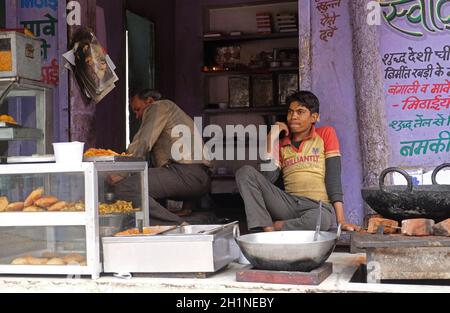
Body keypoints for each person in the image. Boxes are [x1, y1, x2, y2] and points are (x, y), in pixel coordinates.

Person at [235, 91, 361, 232]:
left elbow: (333, 178)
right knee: (245, 173)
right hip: (287, 204)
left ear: (314, 117)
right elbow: (267, 179)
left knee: (322, 220)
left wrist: (341, 221)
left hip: (317, 207)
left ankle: (277, 227)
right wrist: (271, 137)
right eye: (290, 112)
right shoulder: (282, 143)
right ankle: (266, 227)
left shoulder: (326, 134)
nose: (293, 116)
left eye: (300, 112)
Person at [113, 89, 212, 225]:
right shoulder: (176, 113)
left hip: (186, 174)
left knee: (125, 188)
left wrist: (121, 171)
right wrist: (188, 206)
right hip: (199, 178)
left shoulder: (159, 106)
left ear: (149, 101)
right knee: (144, 183)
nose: (137, 116)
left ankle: (177, 225)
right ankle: (172, 221)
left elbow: (144, 141)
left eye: (137, 109)